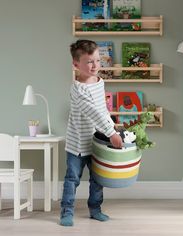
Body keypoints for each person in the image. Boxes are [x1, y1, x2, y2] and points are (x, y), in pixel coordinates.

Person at [60, 39, 123, 226]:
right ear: (76, 64)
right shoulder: (77, 90)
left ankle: (95, 209)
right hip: (78, 144)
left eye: (97, 60)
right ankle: (66, 211)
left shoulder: (98, 81)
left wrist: (112, 126)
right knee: (72, 179)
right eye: (89, 61)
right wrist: (111, 132)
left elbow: (102, 108)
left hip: (97, 142)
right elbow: (93, 112)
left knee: (97, 180)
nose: (95, 65)